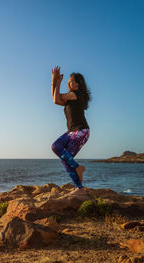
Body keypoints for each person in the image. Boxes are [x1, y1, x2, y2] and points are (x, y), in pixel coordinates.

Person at [51, 66, 91, 194]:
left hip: (81, 131)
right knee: (56, 147)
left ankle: (79, 187)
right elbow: (55, 100)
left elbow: (56, 97)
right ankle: (79, 173)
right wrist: (54, 81)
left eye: (71, 81)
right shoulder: (70, 97)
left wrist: (57, 82)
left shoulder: (76, 94)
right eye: (68, 81)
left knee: (65, 158)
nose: (69, 83)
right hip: (72, 132)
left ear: (78, 84)